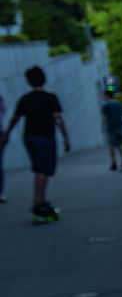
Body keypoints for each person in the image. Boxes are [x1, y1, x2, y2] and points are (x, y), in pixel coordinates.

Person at [4, 66, 71, 222]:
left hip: (29, 137)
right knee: (43, 170)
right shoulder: (51, 97)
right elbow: (57, 118)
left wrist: (7, 134)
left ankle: (41, 200)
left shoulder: (25, 99)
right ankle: (37, 202)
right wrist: (66, 138)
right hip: (45, 137)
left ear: (29, 82)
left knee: (39, 169)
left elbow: (15, 118)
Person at [102, 86, 122, 172]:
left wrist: (103, 127)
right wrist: (121, 125)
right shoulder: (119, 105)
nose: (103, 97)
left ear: (107, 96)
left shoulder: (106, 106)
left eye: (104, 95)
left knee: (112, 146)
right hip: (119, 128)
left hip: (111, 128)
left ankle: (113, 163)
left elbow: (105, 118)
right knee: (119, 145)